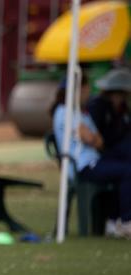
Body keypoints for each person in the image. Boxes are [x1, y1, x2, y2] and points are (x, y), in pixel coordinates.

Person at [51, 73, 131, 238]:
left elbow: (99, 141)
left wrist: (91, 137)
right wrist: (90, 137)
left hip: (93, 160)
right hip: (82, 166)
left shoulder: (81, 112)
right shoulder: (65, 111)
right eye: (87, 89)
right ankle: (125, 221)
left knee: (123, 164)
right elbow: (88, 137)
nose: (89, 93)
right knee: (127, 171)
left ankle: (113, 222)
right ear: (78, 90)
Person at [87, 68, 131, 160]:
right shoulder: (97, 106)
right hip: (105, 150)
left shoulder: (122, 108)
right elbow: (94, 133)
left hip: (120, 146)